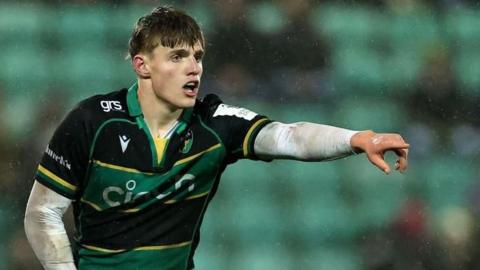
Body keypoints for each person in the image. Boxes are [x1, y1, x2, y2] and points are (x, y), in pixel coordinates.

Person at [24, 6, 409, 270]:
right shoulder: (93, 122)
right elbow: (42, 212)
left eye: (198, 56)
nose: (193, 68)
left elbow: (289, 136)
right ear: (142, 64)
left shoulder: (214, 122)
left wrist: (357, 138)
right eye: (177, 57)